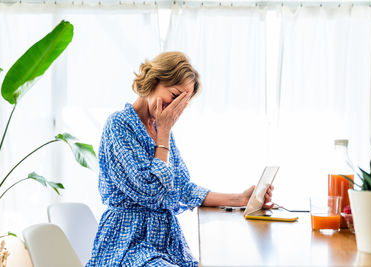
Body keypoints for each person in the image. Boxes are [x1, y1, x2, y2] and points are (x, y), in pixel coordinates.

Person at [86, 51, 274, 266]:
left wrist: (239, 199)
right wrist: (164, 133)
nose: (176, 109)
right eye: (175, 96)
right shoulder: (119, 126)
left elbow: (181, 188)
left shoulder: (160, 128)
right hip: (128, 243)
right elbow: (150, 193)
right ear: (154, 81)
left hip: (165, 243)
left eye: (183, 102)